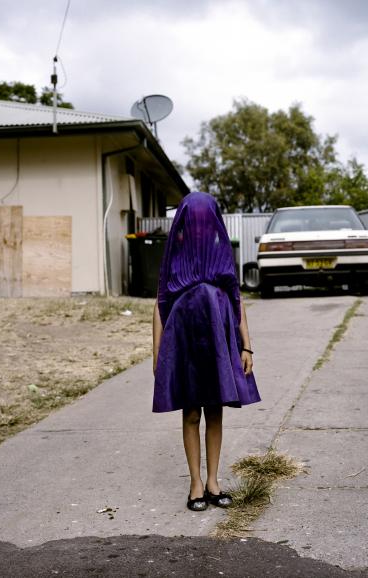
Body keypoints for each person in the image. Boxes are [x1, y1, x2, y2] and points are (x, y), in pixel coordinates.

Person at [152, 192, 261, 512]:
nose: (199, 226)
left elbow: (237, 300)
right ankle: (195, 483)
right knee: (190, 411)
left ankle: (213, 481)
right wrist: (157, 351)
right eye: (193, 220)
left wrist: (246, 345)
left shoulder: (221, 253)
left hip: (218, 337)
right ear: (184, 222)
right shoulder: (175, 255)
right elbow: (160, 303)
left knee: (215, 409)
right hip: (184, 339)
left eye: (205, 219)